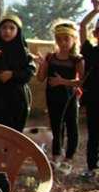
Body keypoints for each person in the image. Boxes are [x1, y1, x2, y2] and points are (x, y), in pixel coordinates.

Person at [35, 20, 83, 176]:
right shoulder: (51, 57)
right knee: (56, 126)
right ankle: (56, 157)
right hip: (53, 97)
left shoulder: (77, 60)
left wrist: (63, 82)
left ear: (73, 39)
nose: (62, 43)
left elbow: (82, 81)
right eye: (59, 39)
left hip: (69, 98)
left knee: (72, 126)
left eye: (66, 39)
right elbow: (40, 78)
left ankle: (68, 159)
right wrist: (42, 65)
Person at [0, 14, 36, 132]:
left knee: (13, 134)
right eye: (4, 27)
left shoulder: (24, 53)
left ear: (18, 31)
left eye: (11, 28)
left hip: (17, 98)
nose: (7, 31)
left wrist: (12, 74)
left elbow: (30, 72)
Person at [79, 0, 99, 181]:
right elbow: (82, 26)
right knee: (93, 134)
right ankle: (92, 167)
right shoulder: (91, 51)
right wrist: (95, 11)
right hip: (95, 99)